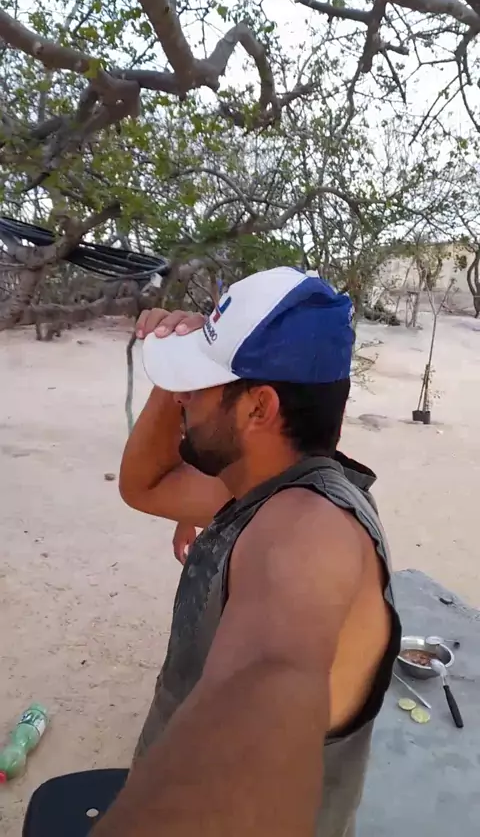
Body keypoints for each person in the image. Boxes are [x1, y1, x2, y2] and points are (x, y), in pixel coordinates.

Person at [94, 266, 401, 837]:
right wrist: (177, 370)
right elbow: (146, 484)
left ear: (259, 408)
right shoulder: (262, 481)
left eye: (200, 385)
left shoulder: (310, 528)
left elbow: (269, 676)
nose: (185, 399)